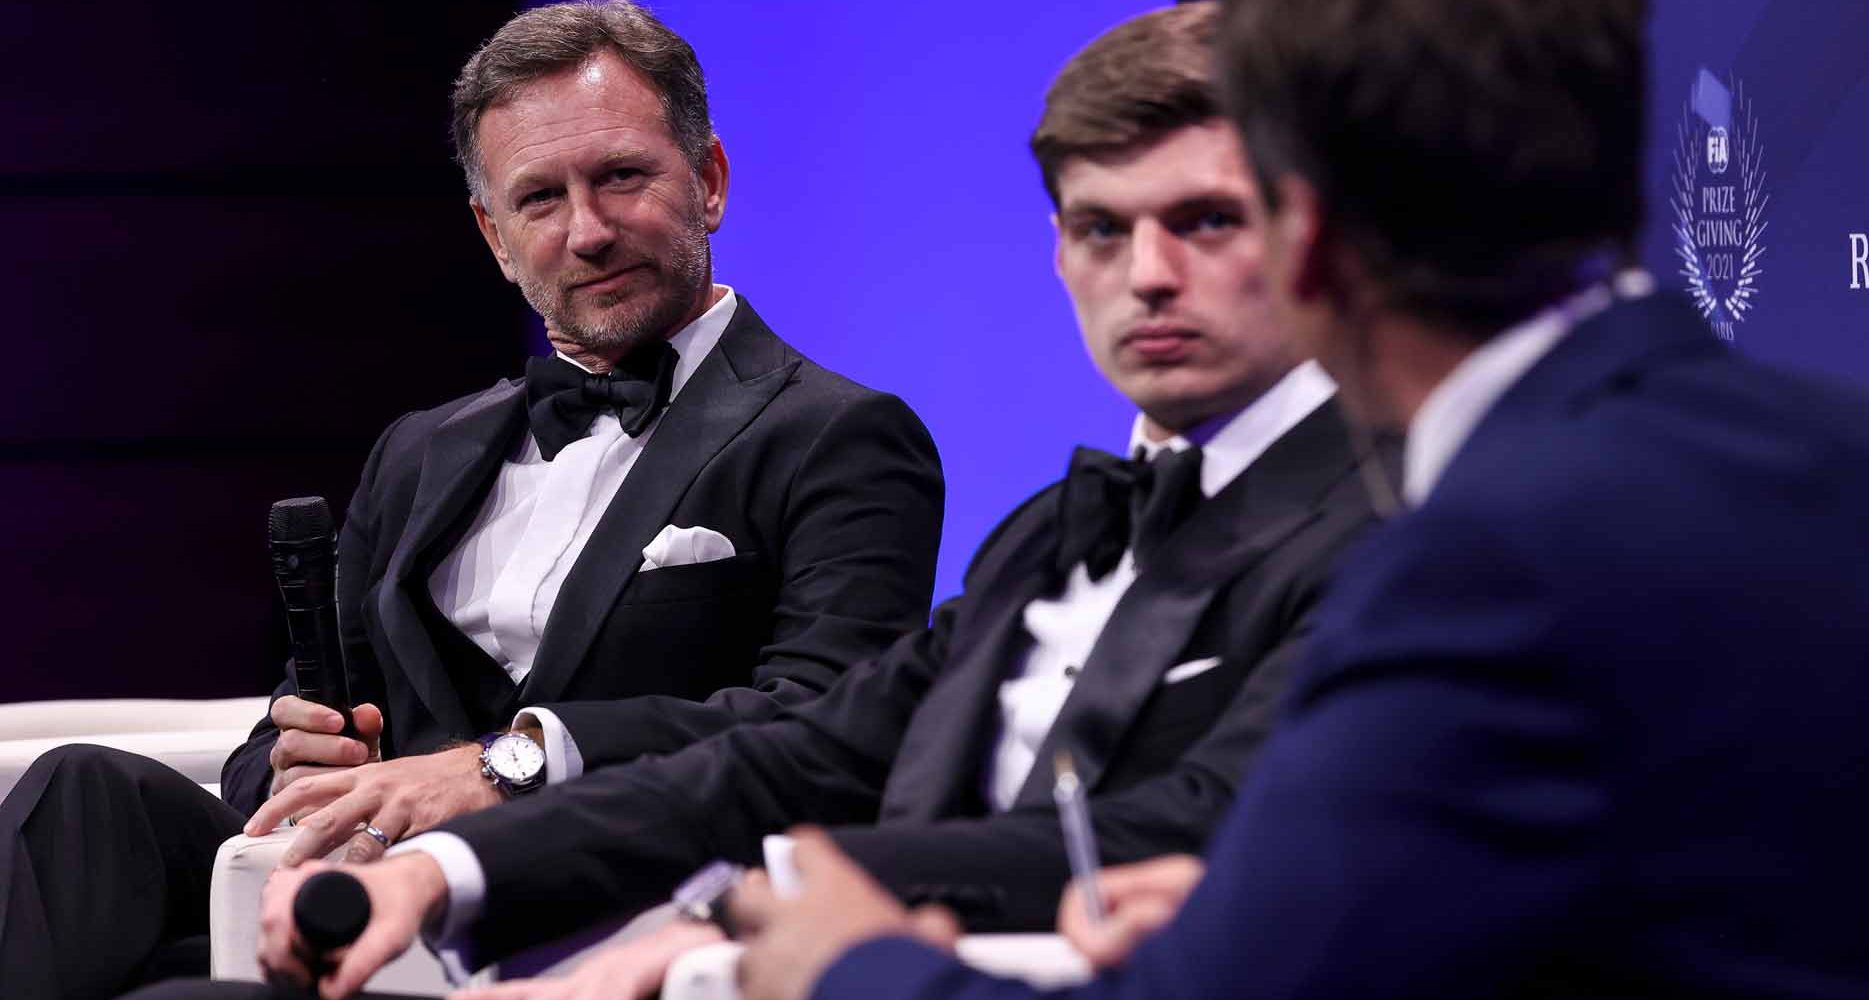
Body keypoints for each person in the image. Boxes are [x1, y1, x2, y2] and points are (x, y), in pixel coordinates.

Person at [129, 6, 1386, 999]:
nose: (1149, 277)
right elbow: (813, 751)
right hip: (526, 912)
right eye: (1103, 230)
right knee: (91, 805)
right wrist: (448, 867)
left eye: (1205, 221)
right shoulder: (1052, 533)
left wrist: (727, 910)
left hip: (835, 954)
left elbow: (1197, 814)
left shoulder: (1399, 527)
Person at [715, 1, 1869, 998]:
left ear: (1303, 243)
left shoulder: (1476, 564)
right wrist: (1254, 916)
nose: (1151, 273)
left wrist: (850, 966)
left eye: (1213, 215)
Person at [0, 4, 944, 998]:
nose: (587, 231)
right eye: (540, 198)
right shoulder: (422, 449)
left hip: (598, 906)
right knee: (82, 791)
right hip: (344, 902)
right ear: (495, 237)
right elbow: (290, 727)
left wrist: (517, 761)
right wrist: (289, 763)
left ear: (708, 180)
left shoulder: (839, 434)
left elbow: (823, 725)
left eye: (621, 176)